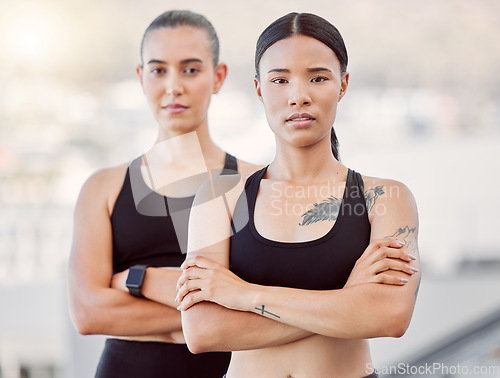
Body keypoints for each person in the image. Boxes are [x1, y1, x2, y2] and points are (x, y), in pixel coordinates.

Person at [176, 12, 421, 378]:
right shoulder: (219, 196)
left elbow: (389, 315)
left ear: (342, 84)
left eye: (318, 77)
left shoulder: (384, 197)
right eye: (280, 80)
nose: (299, 97)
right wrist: (346, 301)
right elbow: (204, 331)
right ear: (259, 89)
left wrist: (243, 296)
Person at [68, 10, 260, 378]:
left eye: (190, 69)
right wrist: (206, 318)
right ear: (141, 78)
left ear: (218, 76)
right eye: (158, 70)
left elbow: (272, 296)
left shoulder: (256, 183)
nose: (174, 86)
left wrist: (137, 280)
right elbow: (88, 311)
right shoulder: (103, 188)